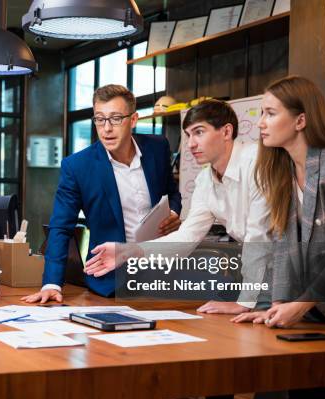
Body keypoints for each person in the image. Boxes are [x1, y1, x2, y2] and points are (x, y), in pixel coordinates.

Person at [232, 75, 325, 399]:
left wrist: (300, 303)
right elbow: (282, 250)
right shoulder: (283, 171)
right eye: (261, 113)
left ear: (301, 120)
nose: (260, 123)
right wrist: (273, 306)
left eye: (270, 113)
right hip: (317, 315)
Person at [84, 99, 272, 314]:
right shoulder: (205, 180)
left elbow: (259, 238)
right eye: (188, 135)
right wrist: (129, 251)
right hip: (264, 280)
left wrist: (244, 303)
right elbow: (186, 238)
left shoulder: (257, 162)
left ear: (226, 132)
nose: (191, 144)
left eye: (199, 132)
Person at [22, 84, 182, 304]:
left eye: (116, 118)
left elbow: (172, 192)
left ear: (133, 120)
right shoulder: (77, 166)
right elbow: (61, 227)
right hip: (112, 280)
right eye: (100, 119)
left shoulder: (157, 148)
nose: (106, 128)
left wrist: (173, 212)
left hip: (165, 271)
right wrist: (52, 283)